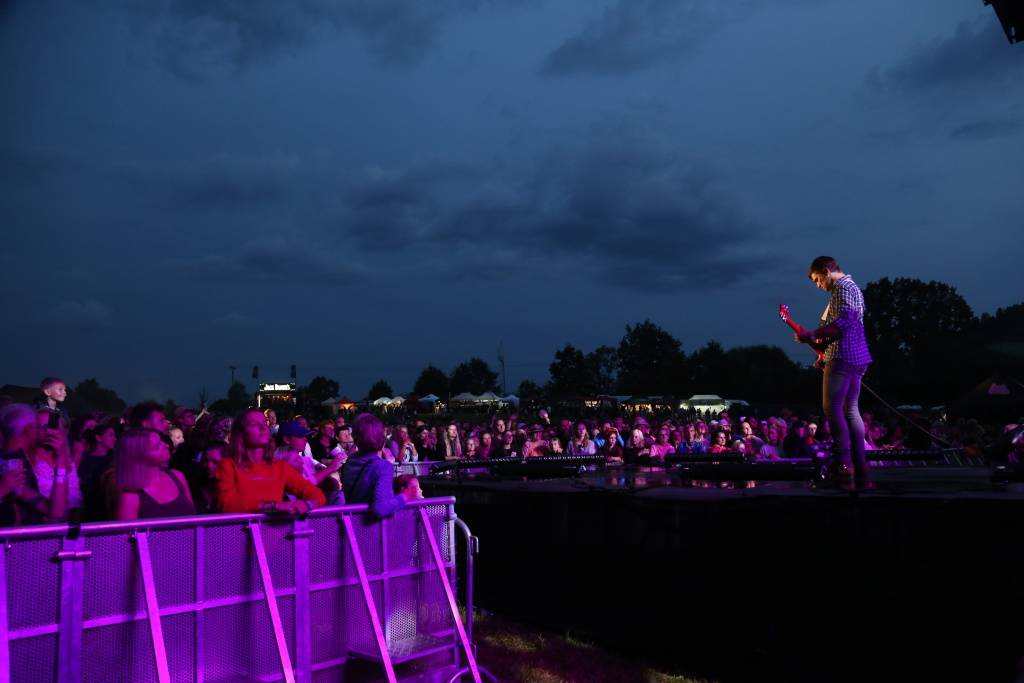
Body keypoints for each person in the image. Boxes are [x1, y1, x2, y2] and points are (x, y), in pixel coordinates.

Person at [795, 256, 873, 488]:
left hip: (843, 356)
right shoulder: (852, 289)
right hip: (856, 357)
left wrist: (812, 335)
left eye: (818, 280)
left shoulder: (843, 288)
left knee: (833, 409)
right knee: (850, 410)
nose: (819, 285)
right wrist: (822, 351)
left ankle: (843, 464)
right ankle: (859, 466)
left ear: (827, 271)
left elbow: (843, 323)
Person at [216, 409, 326, 514]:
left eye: (264, 424)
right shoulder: (228, 465)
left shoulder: (280, 467)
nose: (263, 428)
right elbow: (227, 504)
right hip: (242, 532)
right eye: (254, 424)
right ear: (241, 432)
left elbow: (318, 495)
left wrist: (306, 505)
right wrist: (273, 506)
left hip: (278, 532)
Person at [341, 413, 417, 518]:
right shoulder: (383, 466)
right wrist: (405, 495)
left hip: (351, 524)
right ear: (380, 437)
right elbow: (381, 508)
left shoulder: (350, 461)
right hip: (373, 529)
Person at [112, 429, 195, 520]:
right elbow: (126, 533)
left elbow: (194, 519)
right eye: (157, 446)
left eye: (161, 442)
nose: (166, 445)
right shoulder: (130, 497)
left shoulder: (177, 476)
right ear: (139, 456)